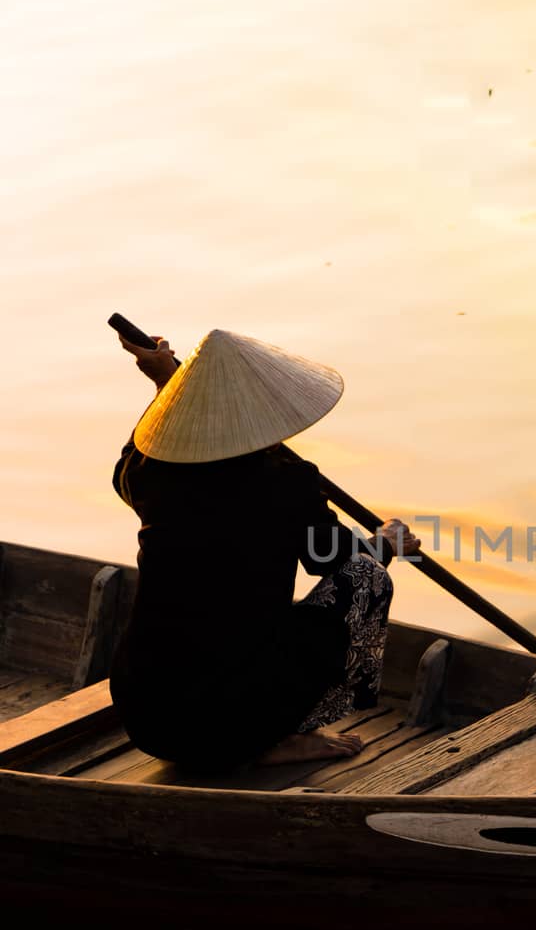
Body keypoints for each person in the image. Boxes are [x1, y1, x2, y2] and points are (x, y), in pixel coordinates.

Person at [108, 327, 420, 771]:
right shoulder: (286, 480)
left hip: (147, 716)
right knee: (369, 577)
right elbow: (334, 560)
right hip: (230, 723)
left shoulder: (148, 469)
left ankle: (268, 727)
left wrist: (164, 385)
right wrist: (387, 545)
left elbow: (142, 447)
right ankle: (278, 736)